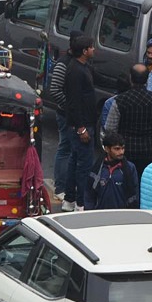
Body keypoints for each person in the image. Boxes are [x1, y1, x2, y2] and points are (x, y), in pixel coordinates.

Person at [46, 34, 98, 211]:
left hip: (80, 123)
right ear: (84, 51)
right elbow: (74, 102)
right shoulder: (76, 71)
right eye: (91, 47)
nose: (94, 50)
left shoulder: (81, 67)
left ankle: (69, 200)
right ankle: (80, 204)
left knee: (74, 161)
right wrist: (81, 128)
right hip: (81, 124)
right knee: (83, 166)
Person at [102, 64, 152, 163]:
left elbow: (110, 129)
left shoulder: (119, 100)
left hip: (126, 151)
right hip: (150, 150)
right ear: (147, 79)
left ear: (131, 78)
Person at [86, 133, 139, 210]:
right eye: (117, 149)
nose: (121, 152)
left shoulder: (130, 168)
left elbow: (135, 194)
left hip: (122, 215)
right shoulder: (97, 168)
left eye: (123, 148)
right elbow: (89, 192)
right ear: (107, 149)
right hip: (100, 214)